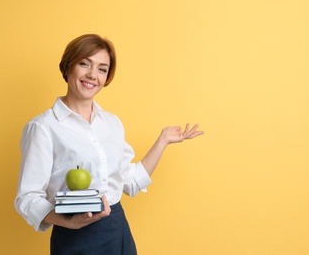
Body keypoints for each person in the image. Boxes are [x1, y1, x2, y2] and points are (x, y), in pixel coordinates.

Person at [14, 34, 204, 255]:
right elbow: (27, 198)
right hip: (74, 236)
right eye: (84, 63)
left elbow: (130, 182)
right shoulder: (43, 127)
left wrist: (163, 141)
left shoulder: (112, 123)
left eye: (102, 69)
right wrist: (68, 222)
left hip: (117, 229)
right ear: (68, 67)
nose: (92, 75)